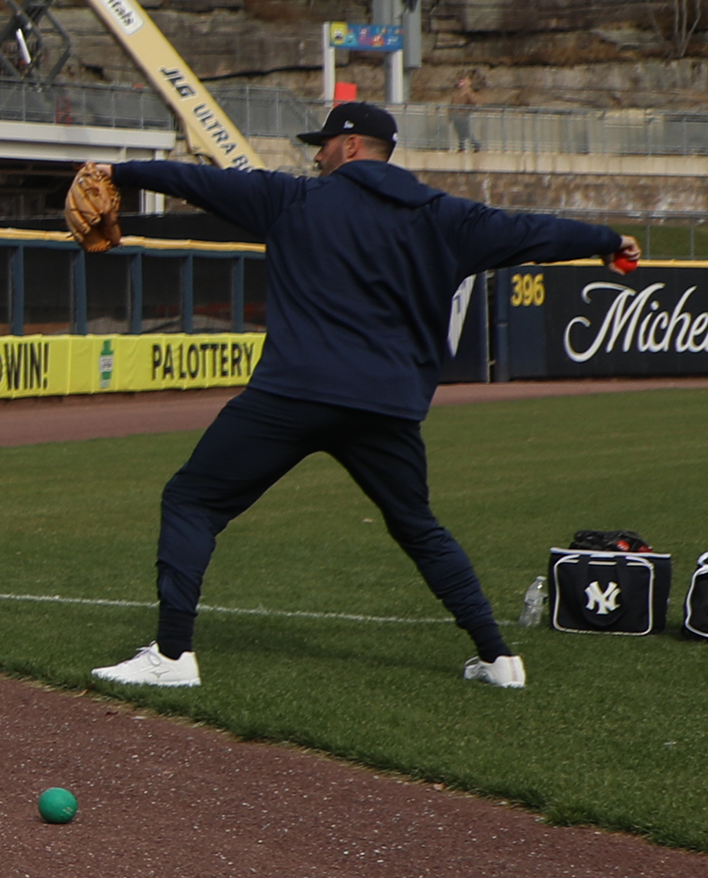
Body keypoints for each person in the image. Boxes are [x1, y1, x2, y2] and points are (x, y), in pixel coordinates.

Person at [83, 100, 637, 693]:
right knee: (419, 528)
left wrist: (122, 173)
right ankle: (499, 660)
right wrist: (607, 241)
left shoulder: (294, 199)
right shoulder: (448, 217)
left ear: (350, 147)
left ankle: (171, 657)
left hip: (292, 395)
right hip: (385, 408)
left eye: (323, 144)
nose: (315, 154)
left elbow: (201, 181)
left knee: (192, 500)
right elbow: (534, 231)